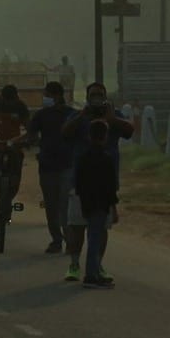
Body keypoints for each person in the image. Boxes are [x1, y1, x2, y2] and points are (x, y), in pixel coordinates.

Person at [61, 81, 136, 283]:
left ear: (105, 97)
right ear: (87, 97)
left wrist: (111, 119)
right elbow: (65, 132)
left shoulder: (113, 115)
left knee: (101, 227)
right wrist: (82, 116)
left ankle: (97, 264)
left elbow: (130, 130)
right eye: (93, 94)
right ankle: (74, 264)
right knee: (76, 226)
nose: (96, 98)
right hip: (80, 182)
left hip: (105, 181)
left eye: (100, 94)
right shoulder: (79, 116)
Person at [26, 81, 77, 253]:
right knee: (56, 205)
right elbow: (32, 134)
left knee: (60, 205)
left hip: (61, 165)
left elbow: (31, 136)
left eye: (47, 95)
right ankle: (60, 240)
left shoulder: (69, 114)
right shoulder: (45, 115)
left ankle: (64, 240)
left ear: (56, 96)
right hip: (53, 165)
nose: (45, 98)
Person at [73, 120, 119, 288]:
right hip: (101, 203)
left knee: (93, 238)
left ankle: (94, 273)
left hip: (87, 202)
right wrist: (113, 207)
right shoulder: (107, 158)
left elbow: (78, 183)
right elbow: (110, 187)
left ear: (89, 136)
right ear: (105, 136)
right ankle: (91, 275)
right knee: (95, 240)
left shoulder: (83, 158)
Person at [0, 84, 31, 216]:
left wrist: (23, 139)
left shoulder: (20, 106)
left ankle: (9, 197)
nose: (10, 103)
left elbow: (29, 127)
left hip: (13, 145)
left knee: (16, 171)